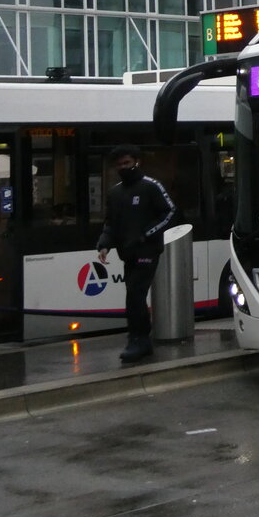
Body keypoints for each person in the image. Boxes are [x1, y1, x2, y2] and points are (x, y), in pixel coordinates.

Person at [96, 145, 176, 363]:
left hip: (147, 250)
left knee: (135, 293)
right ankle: (140, 338)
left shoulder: (151, 186)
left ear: (136, 162)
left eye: (127, 163)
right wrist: (104, 245)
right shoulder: (115, 193)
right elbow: (110, 223)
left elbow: (169, 211)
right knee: (133, 294)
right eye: (119, 165)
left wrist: (147, 234)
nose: (123, 168)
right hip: (127, 251)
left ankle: (138, 339)